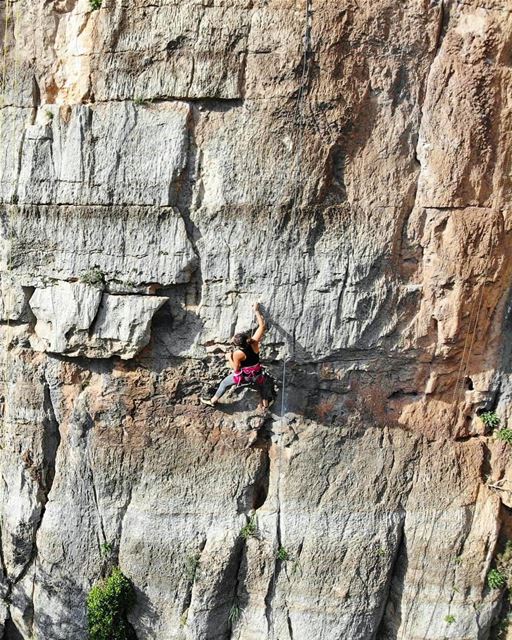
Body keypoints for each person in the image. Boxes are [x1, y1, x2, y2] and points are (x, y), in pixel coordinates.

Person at [201, 302, 270, 408]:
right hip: (257, 374)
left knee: (224, 383)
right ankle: (265, 403)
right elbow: (262, 326)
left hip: (246, 377)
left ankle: (212, 401)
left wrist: (229, 357)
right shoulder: (254, 343)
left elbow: (236, 369)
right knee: (262, 384)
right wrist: (256, 310)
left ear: (237, 345)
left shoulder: (238, 354)